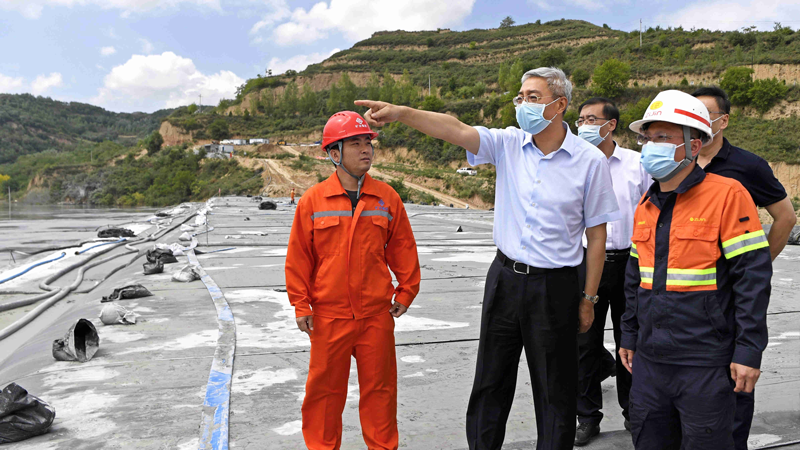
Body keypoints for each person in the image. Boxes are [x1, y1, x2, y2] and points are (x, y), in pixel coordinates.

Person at [356, 66, 620, 450]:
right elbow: (454, 128)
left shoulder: (588, 161)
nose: (522, 104)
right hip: (505, 279)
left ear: (559, 104)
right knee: (490, 382)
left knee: (555, 390)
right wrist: (401, 113)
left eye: (533, 97)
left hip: (557, 286)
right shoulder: (509, 143)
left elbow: (597, 236)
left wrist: (588, 298)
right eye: (520, 97)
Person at [619, 90, 772, 449]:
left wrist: (748, 352)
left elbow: (752, 280)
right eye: (647, 137)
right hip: (650, 362)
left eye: (662, 137)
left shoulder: (729, 194)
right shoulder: (646, 203)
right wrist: (628, 335)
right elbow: (634, 279)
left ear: (694, 144)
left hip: (705, 363)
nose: (650, 146)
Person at [284, 111, 421, 450]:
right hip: (329, 316)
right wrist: (301, 303)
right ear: (334, 153)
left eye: (368, 142)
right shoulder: (313, 201)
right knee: (324, 395)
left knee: (380, 392)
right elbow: (299, 256)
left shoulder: (386, 198)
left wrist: (406, 292)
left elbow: (403, 246)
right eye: (356, 143)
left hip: (375, 315)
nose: (366, 150)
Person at [691, 86, 796, 450]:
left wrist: (759, 265)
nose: (699, 122)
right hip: (685, 292)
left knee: (734, 376)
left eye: (707, 114)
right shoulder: (674, 161)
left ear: (724, 120)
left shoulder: (748, 165)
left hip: (732, 293)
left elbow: (784, 217)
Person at [574, 97, 652, 445]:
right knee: (583, 345)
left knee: (630, 344)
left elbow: (655, 211)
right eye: (580, 119)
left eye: (592, 119)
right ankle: (587, 417)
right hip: (586, 264)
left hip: (630, 265)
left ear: (611, 125)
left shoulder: (638, 164)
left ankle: (634, 416)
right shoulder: (573, 164)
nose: (584, 126)